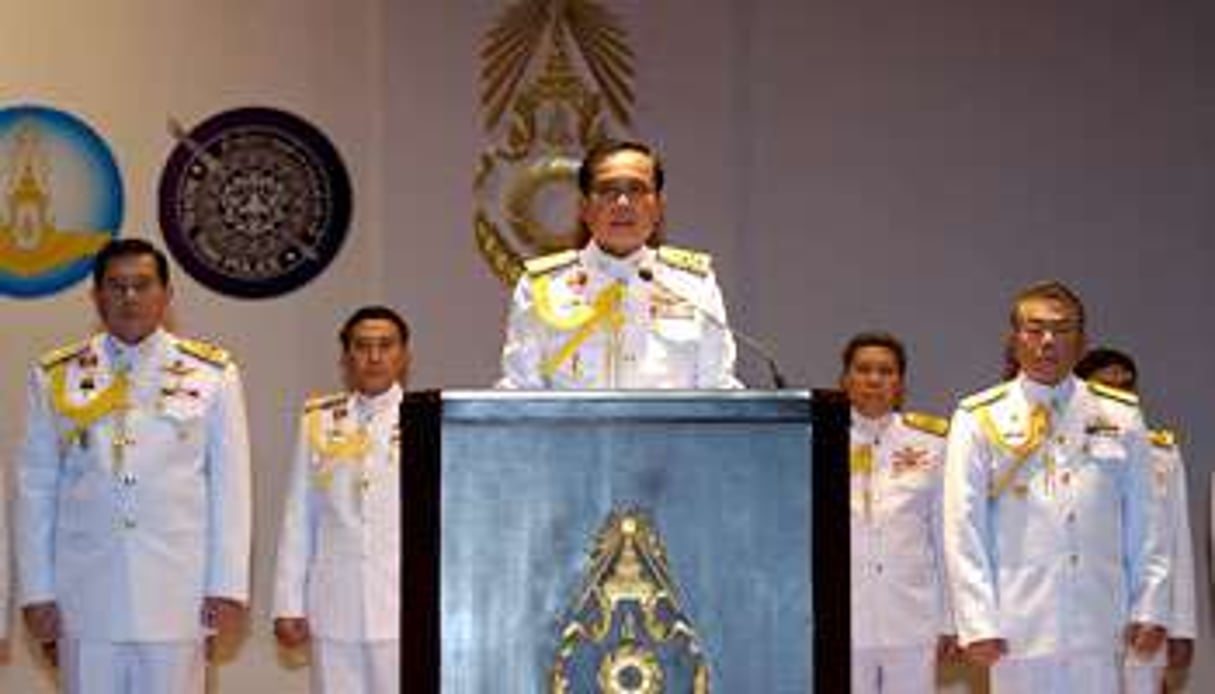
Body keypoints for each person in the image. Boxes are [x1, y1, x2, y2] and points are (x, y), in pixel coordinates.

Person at [14, 238, 252, 694]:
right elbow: (36, 489)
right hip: (85, 595)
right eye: (116, 286)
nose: (129, 298)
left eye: (141, 285)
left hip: (176, 595)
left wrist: (228, 585)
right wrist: (38, 591)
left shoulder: (211, 373)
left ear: (166, 294)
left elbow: (231, 488)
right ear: (96, 296)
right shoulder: (55, 375)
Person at [942, 280, 1170, 693]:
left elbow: (1146, 519)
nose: (1048, 341)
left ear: (1081, 342)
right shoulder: (978, 417)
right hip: (1018, 623)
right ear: (1014, 341)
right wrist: (977, 621)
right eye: (1034, 329)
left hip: (1100, 619)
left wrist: (1151, 604)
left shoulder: (1120, 413)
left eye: (1063, 330)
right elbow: (962, 527)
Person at [497, 139, 740, 389]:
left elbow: (718, 390)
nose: (622, 203)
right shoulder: (544, 286)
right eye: (607, 190)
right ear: (584, 208)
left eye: (636, 189)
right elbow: (520, 391)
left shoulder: (692, 285)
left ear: (657, 207)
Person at [272, 306, 410, 694]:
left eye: (386, 345)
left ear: (403, 354)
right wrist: (288, 603)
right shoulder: (319, 420)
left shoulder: (426, 420)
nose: (375, 357)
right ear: (346, 356)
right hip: (335, 604)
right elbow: (299, 516)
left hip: (401, 606)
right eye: (363, 346)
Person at [1074, 347, 1196, 693]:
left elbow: (1177, 544)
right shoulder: (1063, 453)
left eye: (1127, 386)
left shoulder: (1161, 454)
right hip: (1087, 618)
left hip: (1148, 618)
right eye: (1106, 386)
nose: (1120, 394)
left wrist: (1182, 627)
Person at [841, 332, 956, 693]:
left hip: (911, 615)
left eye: (886, 371)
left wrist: (950, 620)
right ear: (845, 380)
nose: (874, 379)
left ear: (901, 383)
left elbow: (945, 535)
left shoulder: (932, 444)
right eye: (863, 370)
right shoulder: (818, 441)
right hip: (844, 616)